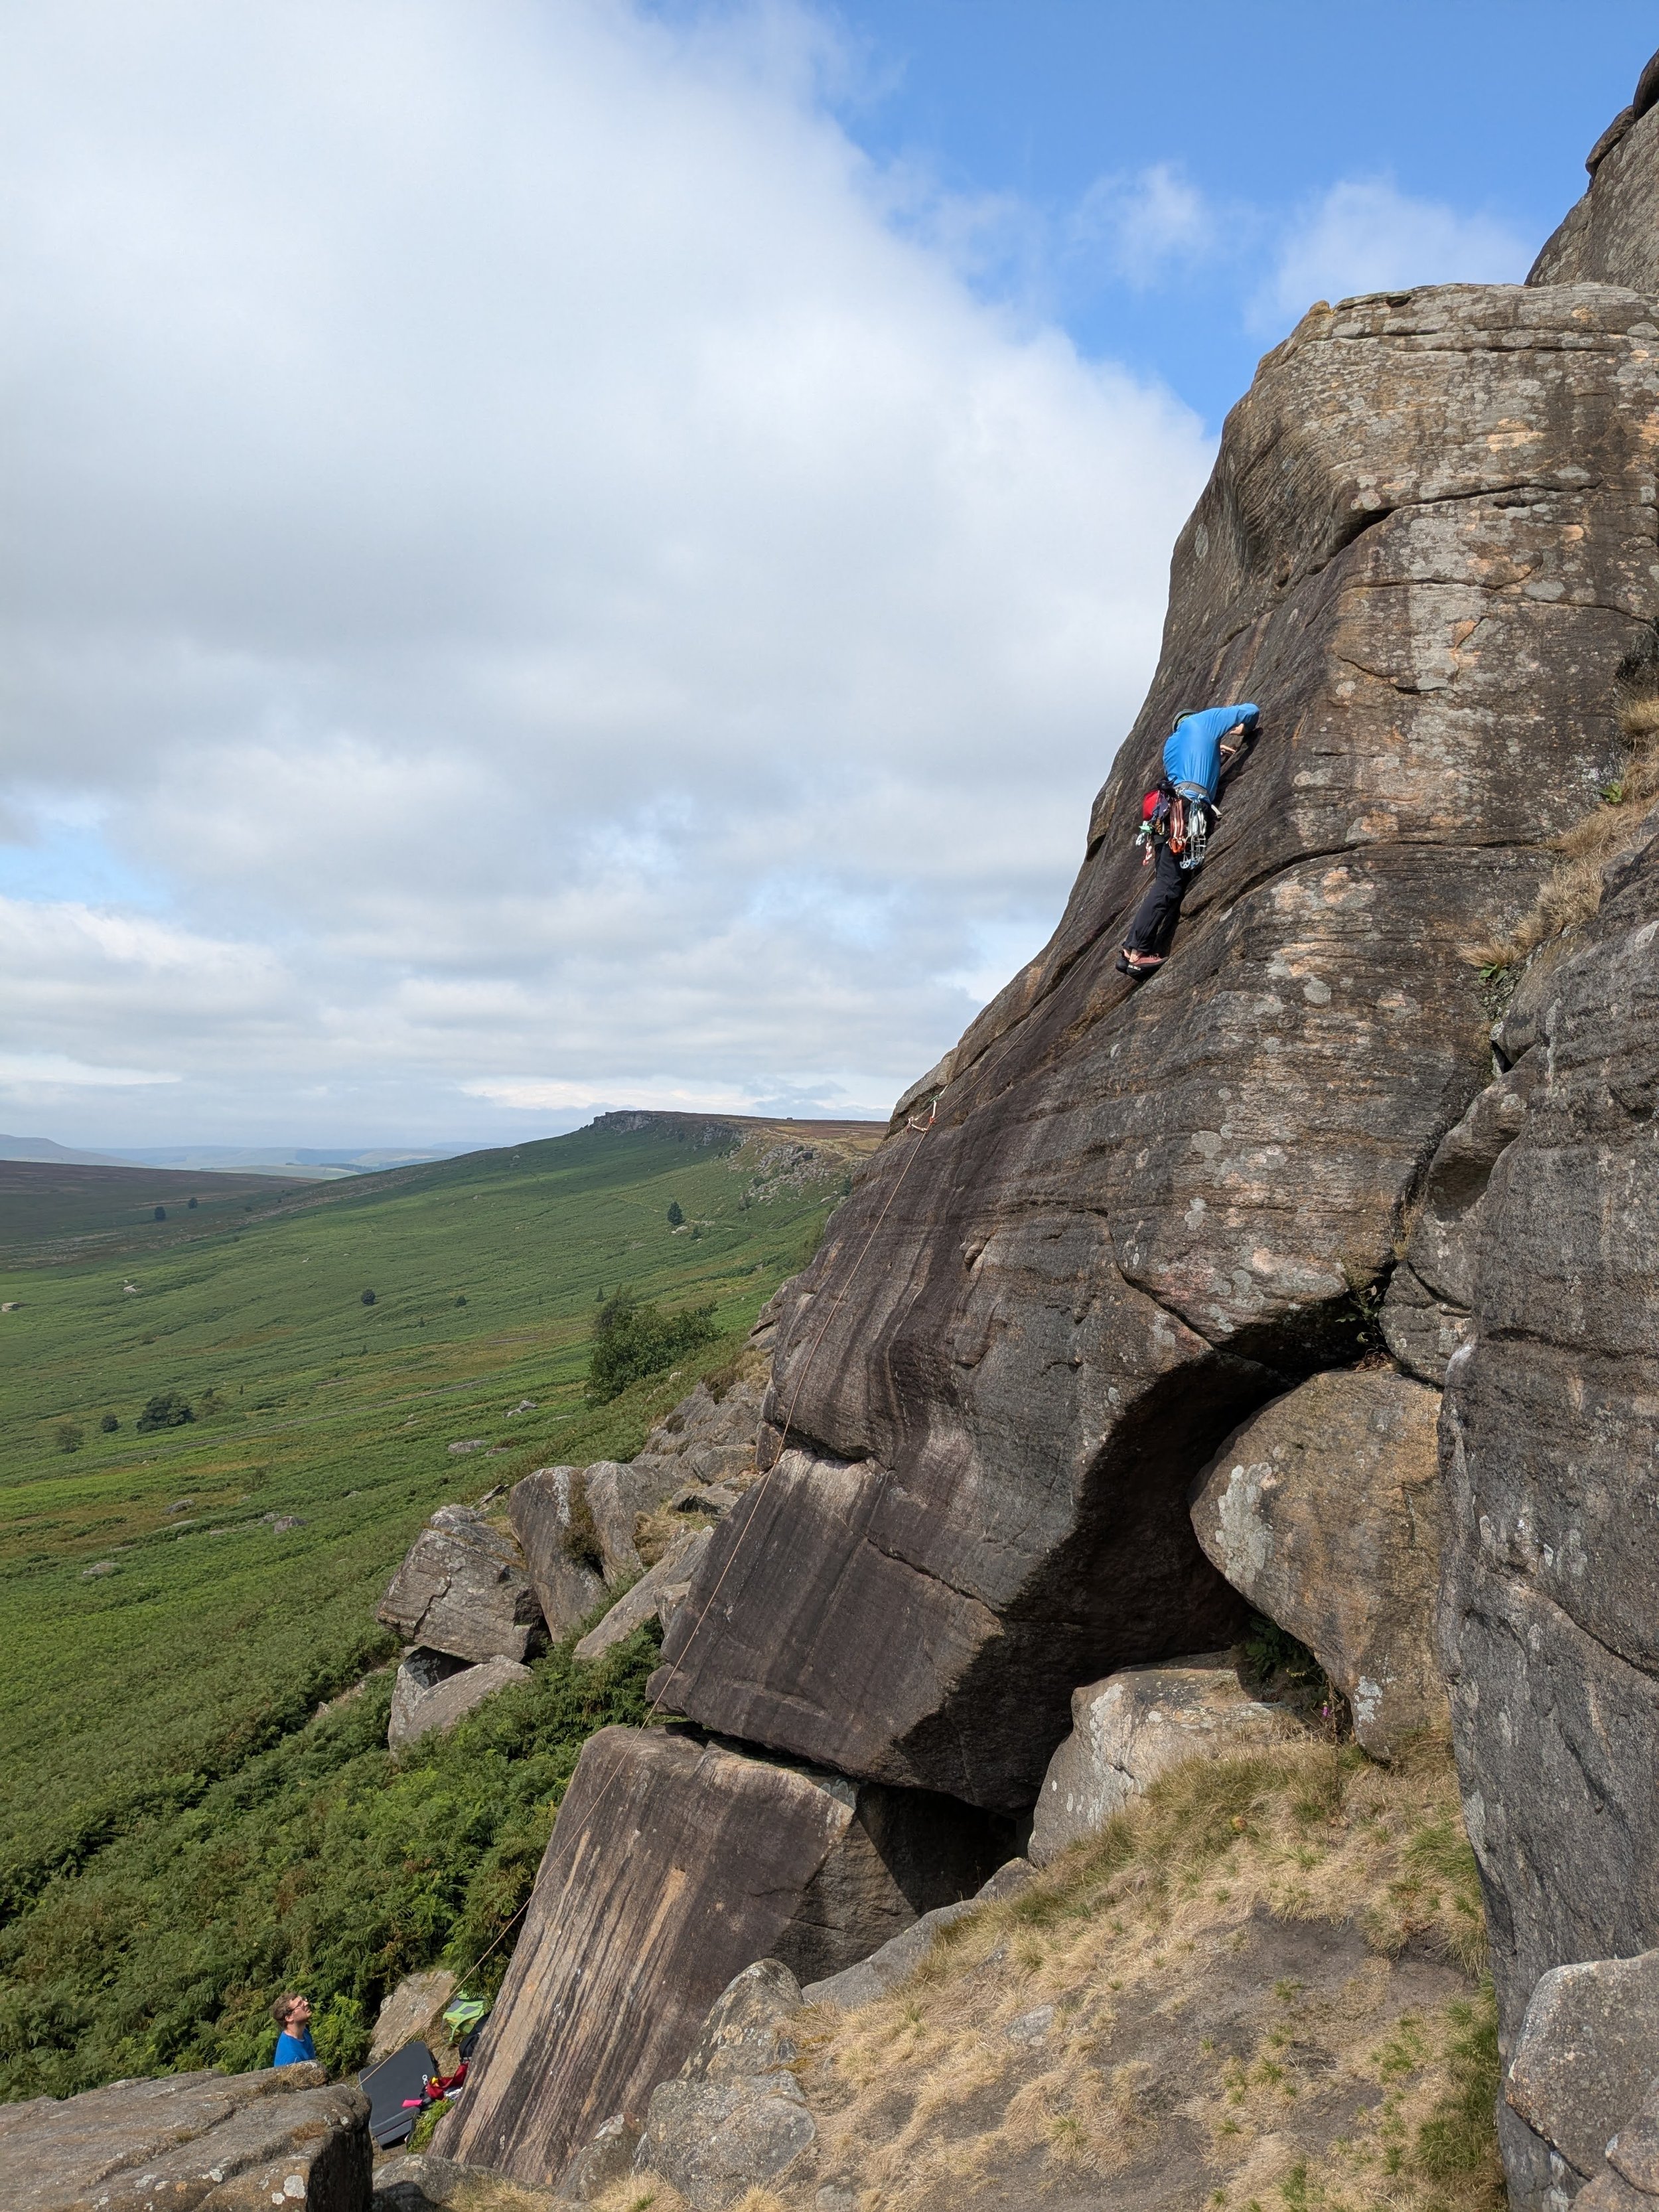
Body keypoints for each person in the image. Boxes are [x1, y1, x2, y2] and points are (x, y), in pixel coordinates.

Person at [1119, 701, 1261, 976]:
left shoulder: (1172, 746)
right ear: (1192, 718)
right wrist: (1241, 731)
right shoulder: (1203, 723)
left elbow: (1188, 769)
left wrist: (1213, 753)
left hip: (1166, 815)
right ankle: (1135, 951)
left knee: (1168, 882)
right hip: (1185, 813)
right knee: (1169, 885)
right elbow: (1251, 711)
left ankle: (1131, 953)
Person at [272, 1992, 317, 2067]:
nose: (306, 2003)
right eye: (300, 2004)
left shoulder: (303, 2032)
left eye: (303, 2000)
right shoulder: (291, 2058)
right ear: (289, 2018)